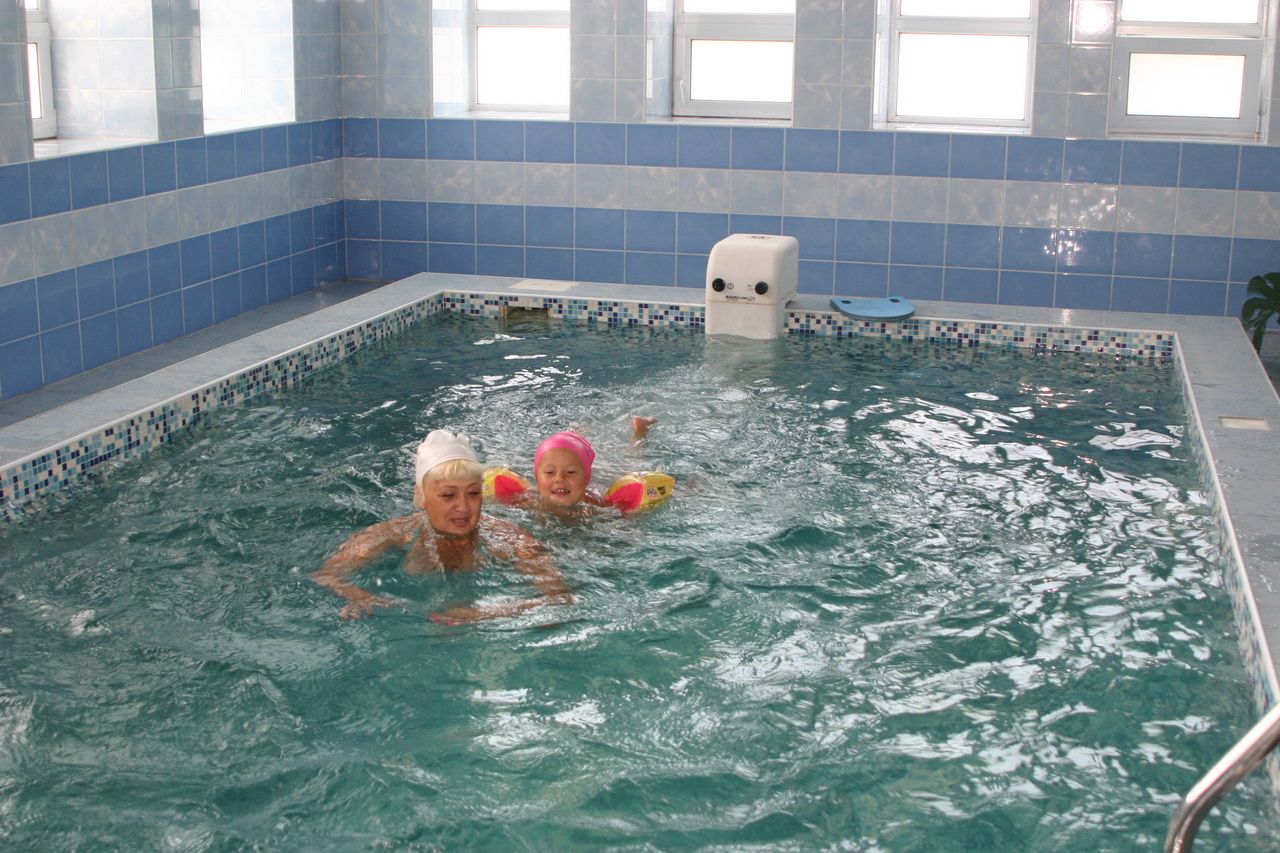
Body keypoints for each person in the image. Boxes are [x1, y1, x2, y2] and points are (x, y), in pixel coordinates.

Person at [312, 429, 574, 623]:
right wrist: (359, 596)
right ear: (421, 497)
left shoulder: (510, 539)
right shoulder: (394, 534)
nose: (463, 506)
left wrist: (485, 613)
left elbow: (561, 598)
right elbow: (325, 575)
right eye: (448, 495)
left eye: (473, 493)